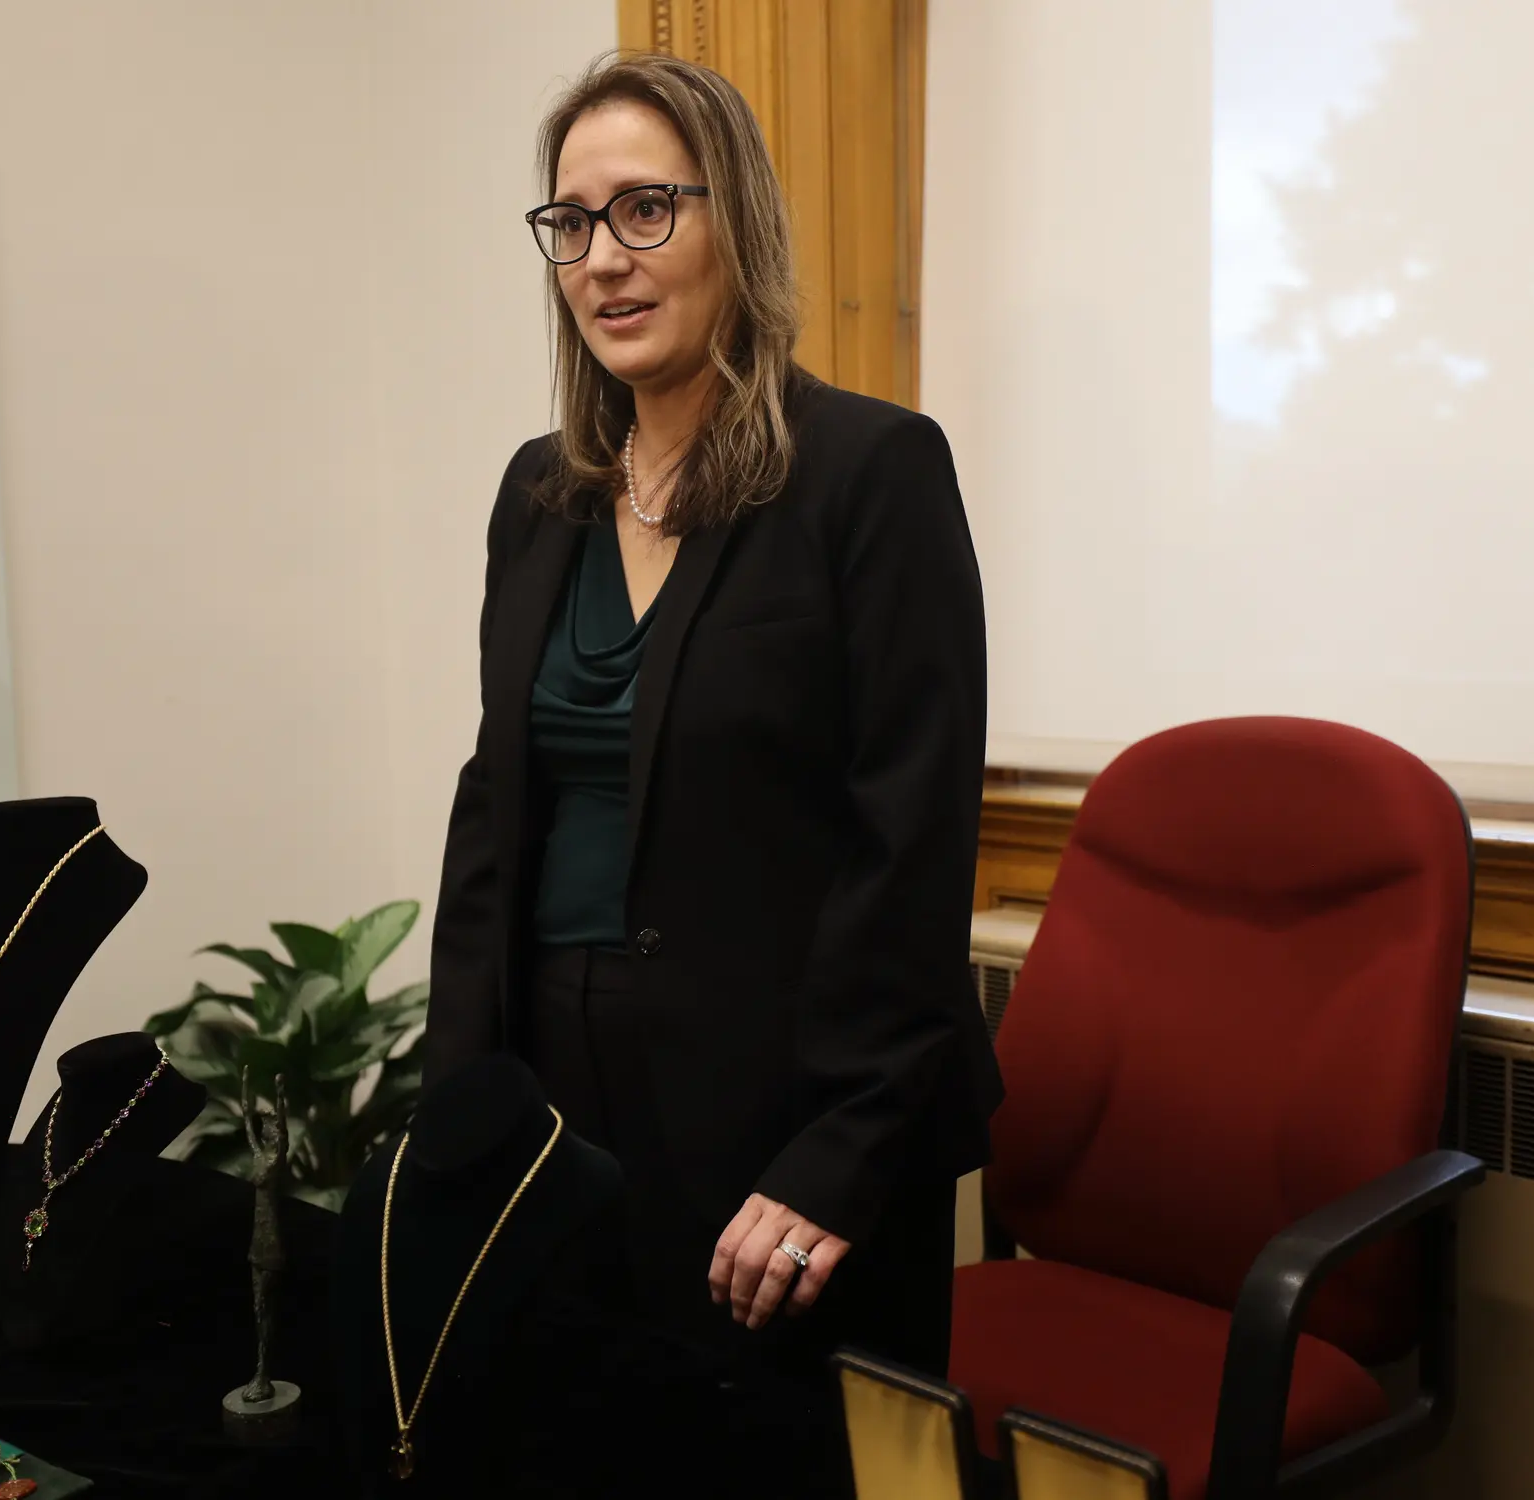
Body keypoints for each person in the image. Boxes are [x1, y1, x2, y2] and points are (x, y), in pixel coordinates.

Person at [425, 50, 1000, 1489]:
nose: (602, 260)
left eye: (643, 212)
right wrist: (460, 1105)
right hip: (561, 1103)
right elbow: (496, 803)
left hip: (779, 1121)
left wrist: (836, 1160)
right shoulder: (536, 493)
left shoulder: (870, 474)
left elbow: (907, 844)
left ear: (731, 221)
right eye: (569, 222)